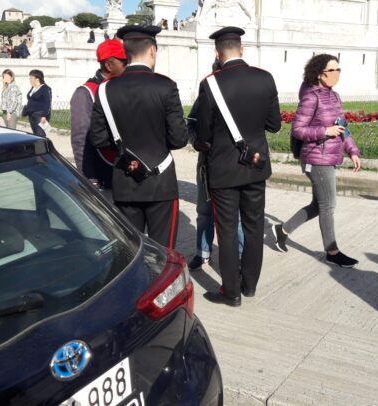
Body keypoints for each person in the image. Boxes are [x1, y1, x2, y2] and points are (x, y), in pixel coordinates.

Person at [195, 26, 281, 307]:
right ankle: (250, 285)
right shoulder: (265, 79)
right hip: (255, 165)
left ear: (217, 53)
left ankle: (230, 292)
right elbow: (274, 124)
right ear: (241, 49)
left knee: (228, 230)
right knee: (255, 227)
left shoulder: (210, 83)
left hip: (223, 169)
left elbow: (204, 134)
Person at [88, 25, 188, 249]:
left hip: (124, 181)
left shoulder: (105, 89)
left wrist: (126, 156)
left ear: (126, 53)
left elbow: (98, 139)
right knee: (164, 253)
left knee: (133, 250)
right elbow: (179, 139)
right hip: (161, 182)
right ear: (152, 50)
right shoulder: (166, 86)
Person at [272, 54, 362, 268]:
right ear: (321, 74)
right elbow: (298, 130)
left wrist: (353, 151)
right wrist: (325, 131)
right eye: (333, 70)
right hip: (316, 157)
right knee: (328, 205)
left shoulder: (334, 96)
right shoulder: (312, 97)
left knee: (318, 204)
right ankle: (332, 251)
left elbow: (342, 127)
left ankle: (282, 230)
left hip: (328, 155)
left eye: (339, 70)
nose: (337, 74)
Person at [188, 59, 245, 271]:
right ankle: (203, 253)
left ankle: (238, 256)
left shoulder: (242, 96)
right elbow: (191, 123)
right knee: (204, 212)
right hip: (207, 165)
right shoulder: (206, 93)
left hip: (233, 165)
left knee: (234, 216)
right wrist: (195, 141)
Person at [70, 39, 127, 195]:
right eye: (124, 62)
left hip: (123, 172)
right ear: (109, 65)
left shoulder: (122, 87)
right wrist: (88, 178)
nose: (127, 66)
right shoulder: (86, 92)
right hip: (102, 174)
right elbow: (81, 139)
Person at [24, 69, 52, 137]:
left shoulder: (45, 88)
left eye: (31, 78)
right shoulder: (33, 88)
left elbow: (47, 103)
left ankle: (41, 147)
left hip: (40, 115)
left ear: (37, 78)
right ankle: (37, 147)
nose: (30, 79)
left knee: (40, 135)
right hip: (32, 115)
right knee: (35, 134)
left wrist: (44, 116)